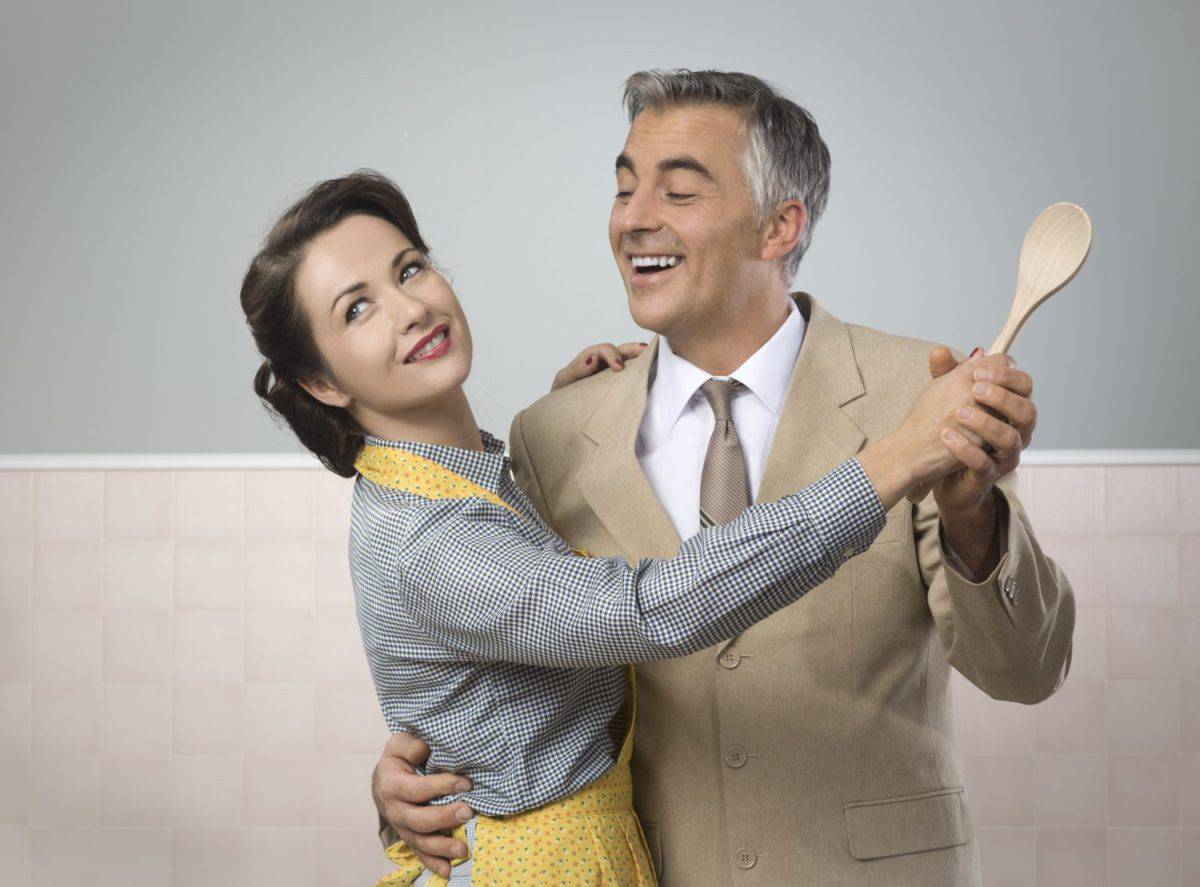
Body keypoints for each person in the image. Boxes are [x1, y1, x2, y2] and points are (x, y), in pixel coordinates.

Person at [373, 70, 1075, 885]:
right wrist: (407, 786)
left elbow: (1026, 670)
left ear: (780, 227)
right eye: (625, 188)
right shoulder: (553, 433)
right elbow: (514, 690)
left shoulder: (920, 393)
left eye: (677, 192)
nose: (633, 219)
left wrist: (972, 516)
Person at [238, 169, 1002, 885]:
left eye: (409, 269)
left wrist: (567, 417)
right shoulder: (428, 542)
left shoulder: (480, 470)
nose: (410, 309)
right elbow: (643, 608)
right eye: (357, 308)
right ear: (321, 381)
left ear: (782, 224)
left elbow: (498, 645)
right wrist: (892, 461)